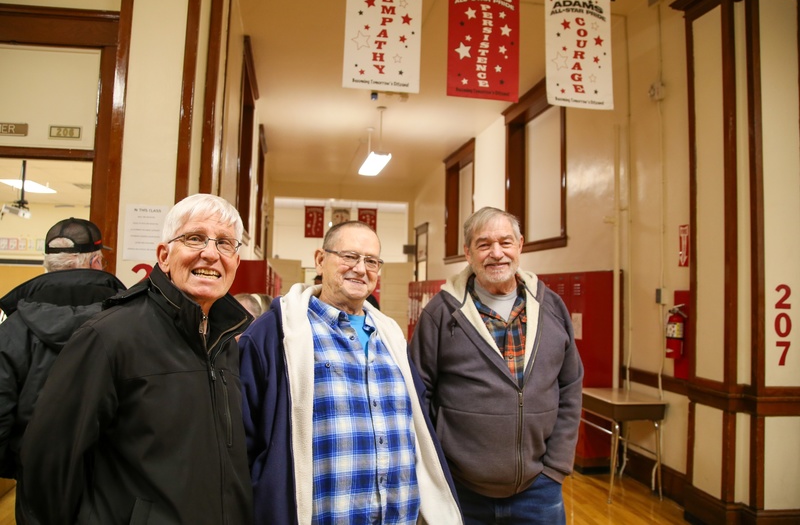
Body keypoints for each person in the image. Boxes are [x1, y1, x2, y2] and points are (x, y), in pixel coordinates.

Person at [21, 194, 254, 524]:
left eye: (225, 243)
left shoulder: (226, 342)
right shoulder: (109, 336)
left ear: (235, 262)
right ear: (164, 255)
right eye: (195, 238)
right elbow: (48, 464)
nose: (211, 253)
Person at [239, 220, 462, 524]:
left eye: (371, 261)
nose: (360, 268)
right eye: (349, 256)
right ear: (320, 259)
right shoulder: (275, 335)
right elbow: (243, 443)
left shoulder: (392, 337)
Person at [408, 207, 584, 525]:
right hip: (461, 490)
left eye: (505, 242)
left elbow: (570, 386)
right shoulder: (441, 313)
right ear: (468, 252)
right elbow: (418, 396)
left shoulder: (551, 308)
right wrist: (437, 469)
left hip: (539, 491)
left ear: (520, 245)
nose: (496, 253)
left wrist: (555, 468)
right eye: (484, 244)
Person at [0, 217, 126, 524]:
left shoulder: (13, 326)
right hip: (115, 477)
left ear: (47, 264)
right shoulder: (130, 319)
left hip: (36, 477)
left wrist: (18, 466)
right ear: (97, 261)